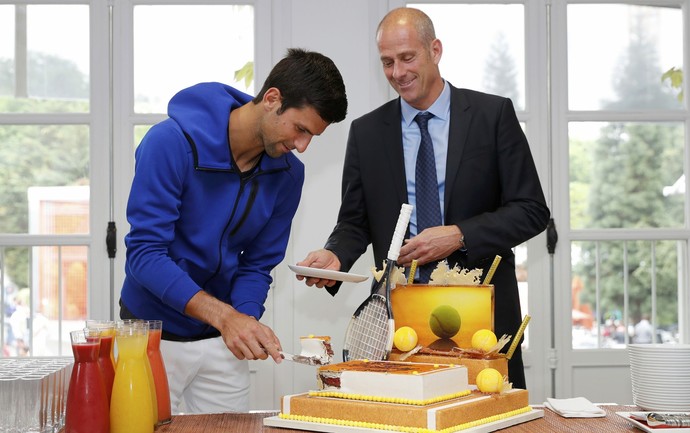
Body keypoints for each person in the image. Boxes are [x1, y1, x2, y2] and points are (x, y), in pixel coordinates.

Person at [297, 8, 549, 390]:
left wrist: (460, 234)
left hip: (482, 316)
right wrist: (335, 254)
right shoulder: (366, 133)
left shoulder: (492, 115)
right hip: (398, 317)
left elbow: (532, 211)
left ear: (435, 49)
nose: (397, 72)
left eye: (407, 57)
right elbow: (355, 222)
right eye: (387, 62)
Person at [119, 48, 348, 414]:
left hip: (223, 343)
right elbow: (145, 255)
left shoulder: (289, 175)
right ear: (272, 99)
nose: (302, 146)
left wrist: (244, 321)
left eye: (312, 137)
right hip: (152, 336)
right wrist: (227, 317)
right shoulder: (169, 143)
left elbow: (257, 266)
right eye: (300, 129)